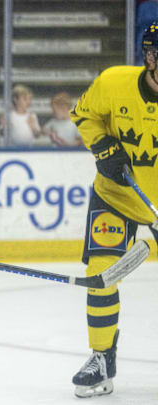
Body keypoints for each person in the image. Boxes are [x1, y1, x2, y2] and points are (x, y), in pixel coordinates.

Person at [68, 22, 158, 398]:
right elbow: (84, 114)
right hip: (115, 196)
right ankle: (102, 357)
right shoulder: (113, 83)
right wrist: (103, 145)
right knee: (101, 273)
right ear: (150, 57)